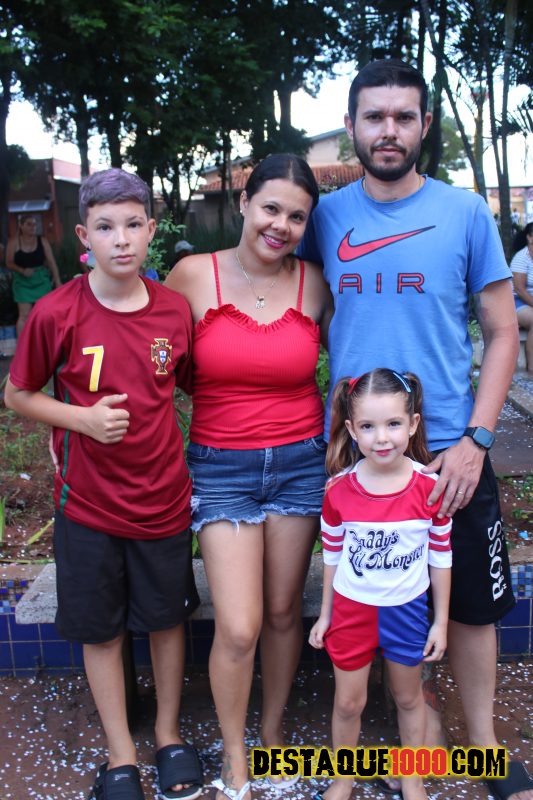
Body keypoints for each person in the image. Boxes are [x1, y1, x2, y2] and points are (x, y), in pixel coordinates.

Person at [299, 59, 533, 800]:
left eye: (404, 116)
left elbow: (502, 331)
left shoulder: (464, 212)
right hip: (356, 446)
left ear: (424, 125)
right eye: (374, 116)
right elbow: (292, 304)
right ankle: (402, 718)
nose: (389, 130)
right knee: (370, 582)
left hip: (448, 446)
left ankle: (485, 746)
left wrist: (477, 440)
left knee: (470, 606)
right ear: (352, 125)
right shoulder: (325, 218)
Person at [4, 169, 203, 800]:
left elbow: (191, 384)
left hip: (163, 500)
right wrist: (81, 419)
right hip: (87, 506)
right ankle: (121, 755)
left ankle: (168, 736)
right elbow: (17, 394)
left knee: (167, 622)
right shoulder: (55, 312)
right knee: (102, 630)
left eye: (134, 225)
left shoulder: (173, 310)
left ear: (151, 229)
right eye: (106, 227)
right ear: (84, 236)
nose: (122, 239)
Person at [164, 153, 333, 800]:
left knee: (284, 611)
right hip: (221, 466)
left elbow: (349, 356)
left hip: (299, 463)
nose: (280, 225)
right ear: (243, 202)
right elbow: (156, 356)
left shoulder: (314, 283)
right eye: (270, 208)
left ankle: (273, 731)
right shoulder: (192, 276)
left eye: (297, 216)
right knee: (239, 625)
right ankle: (234, 750)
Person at [310, 368, 451, 800]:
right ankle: (343, 780)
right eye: (368, 427)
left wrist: (440, 622)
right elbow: (332, 555)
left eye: (393, 424)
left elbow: (440, 557)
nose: (382, 438)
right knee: (348, 702)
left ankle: (412, 780)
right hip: (352, 611)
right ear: (352, 430)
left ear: (413, 424)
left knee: (408, 699)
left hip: (406, 613)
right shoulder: (338, 490)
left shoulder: (430, 489)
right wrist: (325, 615)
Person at [5, 214, 62, 337]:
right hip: (22, 281)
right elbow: (8, 262)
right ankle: (22, 345)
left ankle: (46, 342)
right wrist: (22, 270)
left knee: (46, 312)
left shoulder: (42, 241)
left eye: (34, 224)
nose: (33, 227)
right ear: (21, 226)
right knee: (24, 315)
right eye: (29, 224)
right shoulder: (13, 242)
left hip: (41, 279)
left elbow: (51, 262)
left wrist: (57, 281)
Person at [510, 222, 533, 376]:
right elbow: (519, 289)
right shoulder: (521, 258)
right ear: (529, 238)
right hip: (517, 301)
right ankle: (531, 368)